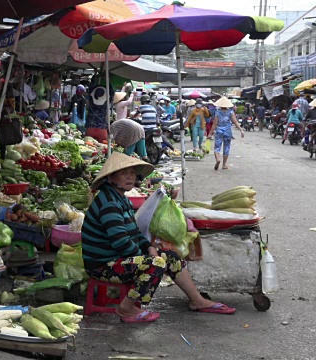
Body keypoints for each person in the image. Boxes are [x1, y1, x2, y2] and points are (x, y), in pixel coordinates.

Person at [81, 152, 235, 323]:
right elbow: (121, 243)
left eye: (132, 173)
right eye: (124, 173)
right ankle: (126, 309)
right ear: (111, 177)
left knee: (171, 256)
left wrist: (148, 247)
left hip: (117, 258)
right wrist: (147, 256)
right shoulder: (109, 203)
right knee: (155, 263)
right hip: (102, 265)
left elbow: (134, 233)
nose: (130, 177)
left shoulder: (120, 199)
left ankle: (197, 300)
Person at [208, 97, 244, 171]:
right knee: (226, 147)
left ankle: (217, 159)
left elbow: (215, 124)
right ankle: (224, 165)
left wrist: (210, 133)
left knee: (217, 147)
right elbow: (235, 122)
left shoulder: (217, 112)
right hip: (228, 131)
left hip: (219, 131)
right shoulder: (231, 112)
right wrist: (241, 130)